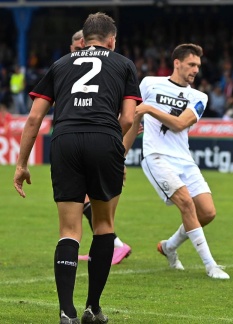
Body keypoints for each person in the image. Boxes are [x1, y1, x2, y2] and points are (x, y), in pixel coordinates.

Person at [13, 12, 141, 324]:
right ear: (111, 40)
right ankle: (92, 308)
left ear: (83, 40)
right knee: (103, 225)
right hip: (104, 138)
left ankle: (65, 311)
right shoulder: (123, 63)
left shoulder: (60, 65)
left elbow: (33, 119)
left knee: (69, 230)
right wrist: (112, 145)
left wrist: (21, 164)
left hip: (65, 139)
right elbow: (127, 119)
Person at [123, 43, 230, 280]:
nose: (195, 70)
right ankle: (211, 265)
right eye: (191, 64)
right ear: (177, 63)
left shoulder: (199, 96)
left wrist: (149, 108)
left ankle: (170, 246)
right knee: (186, 204)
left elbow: (180, 124)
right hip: (156, 157)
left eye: (198, 66)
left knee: (208, 212)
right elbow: (133, 121)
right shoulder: (149, 83)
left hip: (184, 159)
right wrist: (119, 158)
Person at [69, 29, 133, 265]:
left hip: (104, 147)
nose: (80, 54)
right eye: (75, 50)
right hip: (88, 144)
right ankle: (110, 244)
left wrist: (119, 156)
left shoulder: (112, 74)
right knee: (84, 199)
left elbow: (130, 121)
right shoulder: (73, 74)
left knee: (86, 200)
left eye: (80, 48)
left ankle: (114, 244)